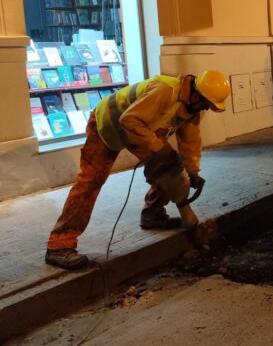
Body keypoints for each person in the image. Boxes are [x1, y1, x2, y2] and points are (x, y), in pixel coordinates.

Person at [45, 70, 231, 269]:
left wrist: (193, 171)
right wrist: (158, 148)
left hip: (140, 130)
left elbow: (190, 141)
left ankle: (153, 214)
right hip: (107, 124)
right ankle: (59, 246)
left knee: (168, 166)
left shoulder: (191, 107)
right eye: (206, 104)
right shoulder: (165, 91)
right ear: (196, 95)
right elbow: (129, 120)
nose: (207, 109)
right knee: (90, 183)